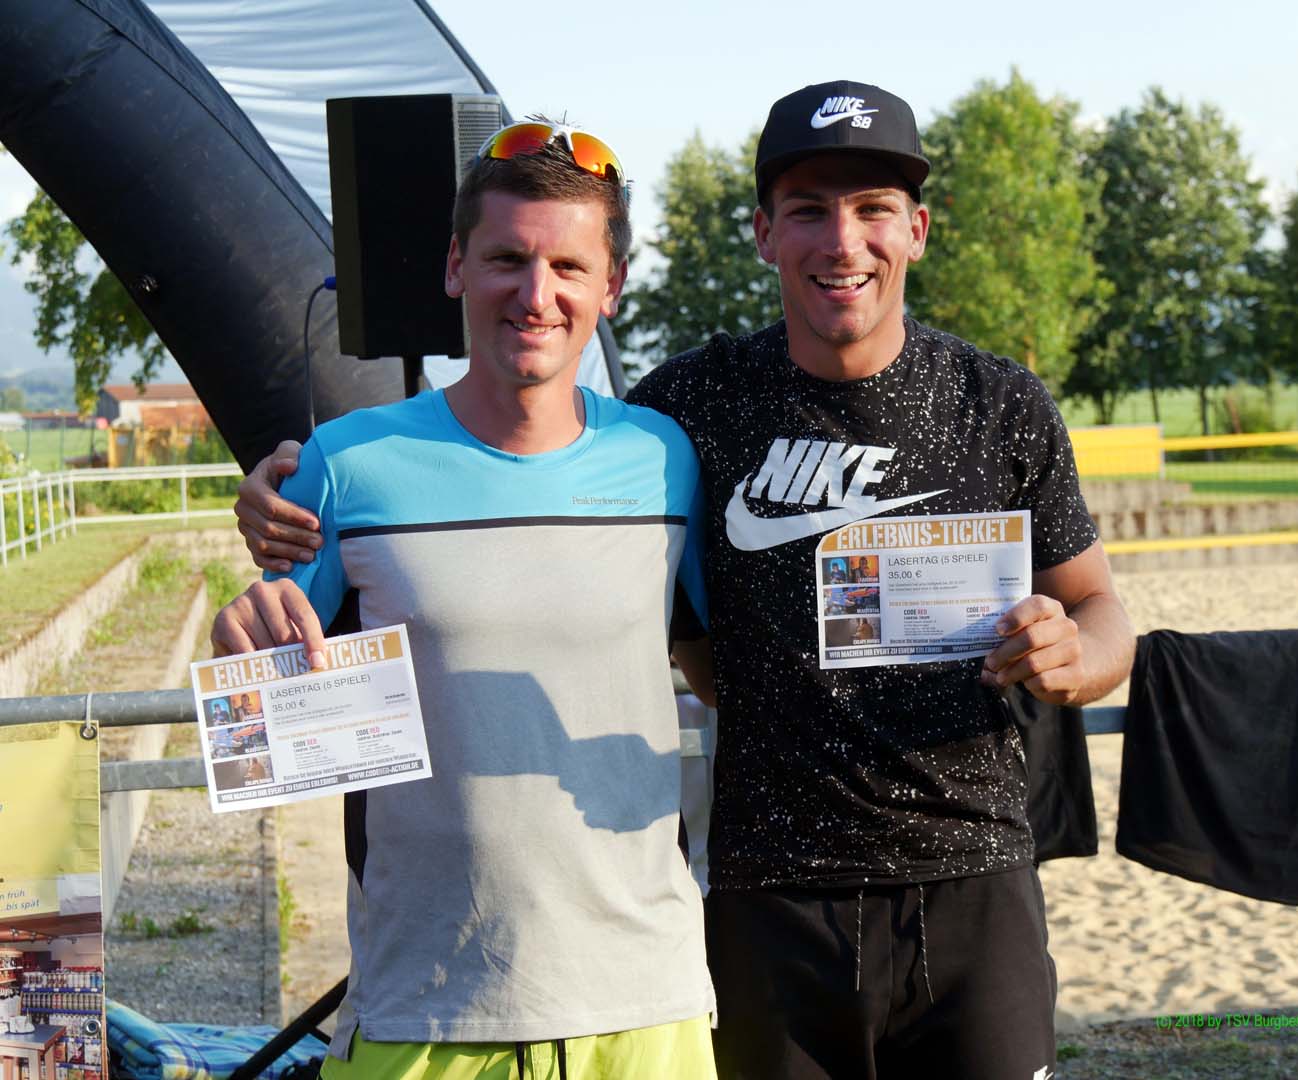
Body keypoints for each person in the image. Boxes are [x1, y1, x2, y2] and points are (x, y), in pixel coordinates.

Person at [235, 81, 1134, 1078]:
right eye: (807, 209)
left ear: (916, 229)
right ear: (763, 233)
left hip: (965, 887)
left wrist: (1074, 656)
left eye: (874, 207)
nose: (842, 240)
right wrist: (276, 529)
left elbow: (1101, 613)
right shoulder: (686, 416)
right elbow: (683, 640)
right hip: (759, 905)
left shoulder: (994, 403)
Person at [211, 121, 716, 1080]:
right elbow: (263, 722)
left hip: (645, 1008)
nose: (536, 294)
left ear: (610, 286)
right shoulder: (345, 462)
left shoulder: (665, 458)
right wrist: (238, 644)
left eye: (568, 266)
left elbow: (731, 672)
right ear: (455, 266)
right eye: (506, 260)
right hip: (424, 1006)